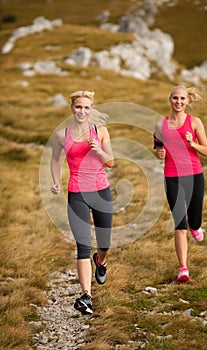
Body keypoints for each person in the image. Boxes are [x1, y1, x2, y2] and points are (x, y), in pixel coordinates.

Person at [50, 90, 114, 314]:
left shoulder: (100, 131)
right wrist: (56, 182)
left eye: (87, 107)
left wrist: (98, 150)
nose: (82, 111)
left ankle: (102, 261)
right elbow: (56, 159)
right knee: (83, 246)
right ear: (72, 108)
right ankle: (86, 296)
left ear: (92, 109)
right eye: (78, 107)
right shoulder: (62, 135)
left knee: (104, 244)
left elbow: (111, 163)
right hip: (76, 193)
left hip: (101, 191)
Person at [153, 85, 207, 282]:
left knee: (194, 220)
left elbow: (206, 151)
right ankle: (183, 268)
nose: (178, 102)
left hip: (194, 175)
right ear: (170, 99)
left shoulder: (194, 122)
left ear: (188, 101)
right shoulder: (161, 125)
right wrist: (160, 153)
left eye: (182, 99)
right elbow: (159, 147)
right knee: (179, 223)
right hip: (172, 176)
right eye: (175, 98)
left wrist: (191, 143)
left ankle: (196, 226)